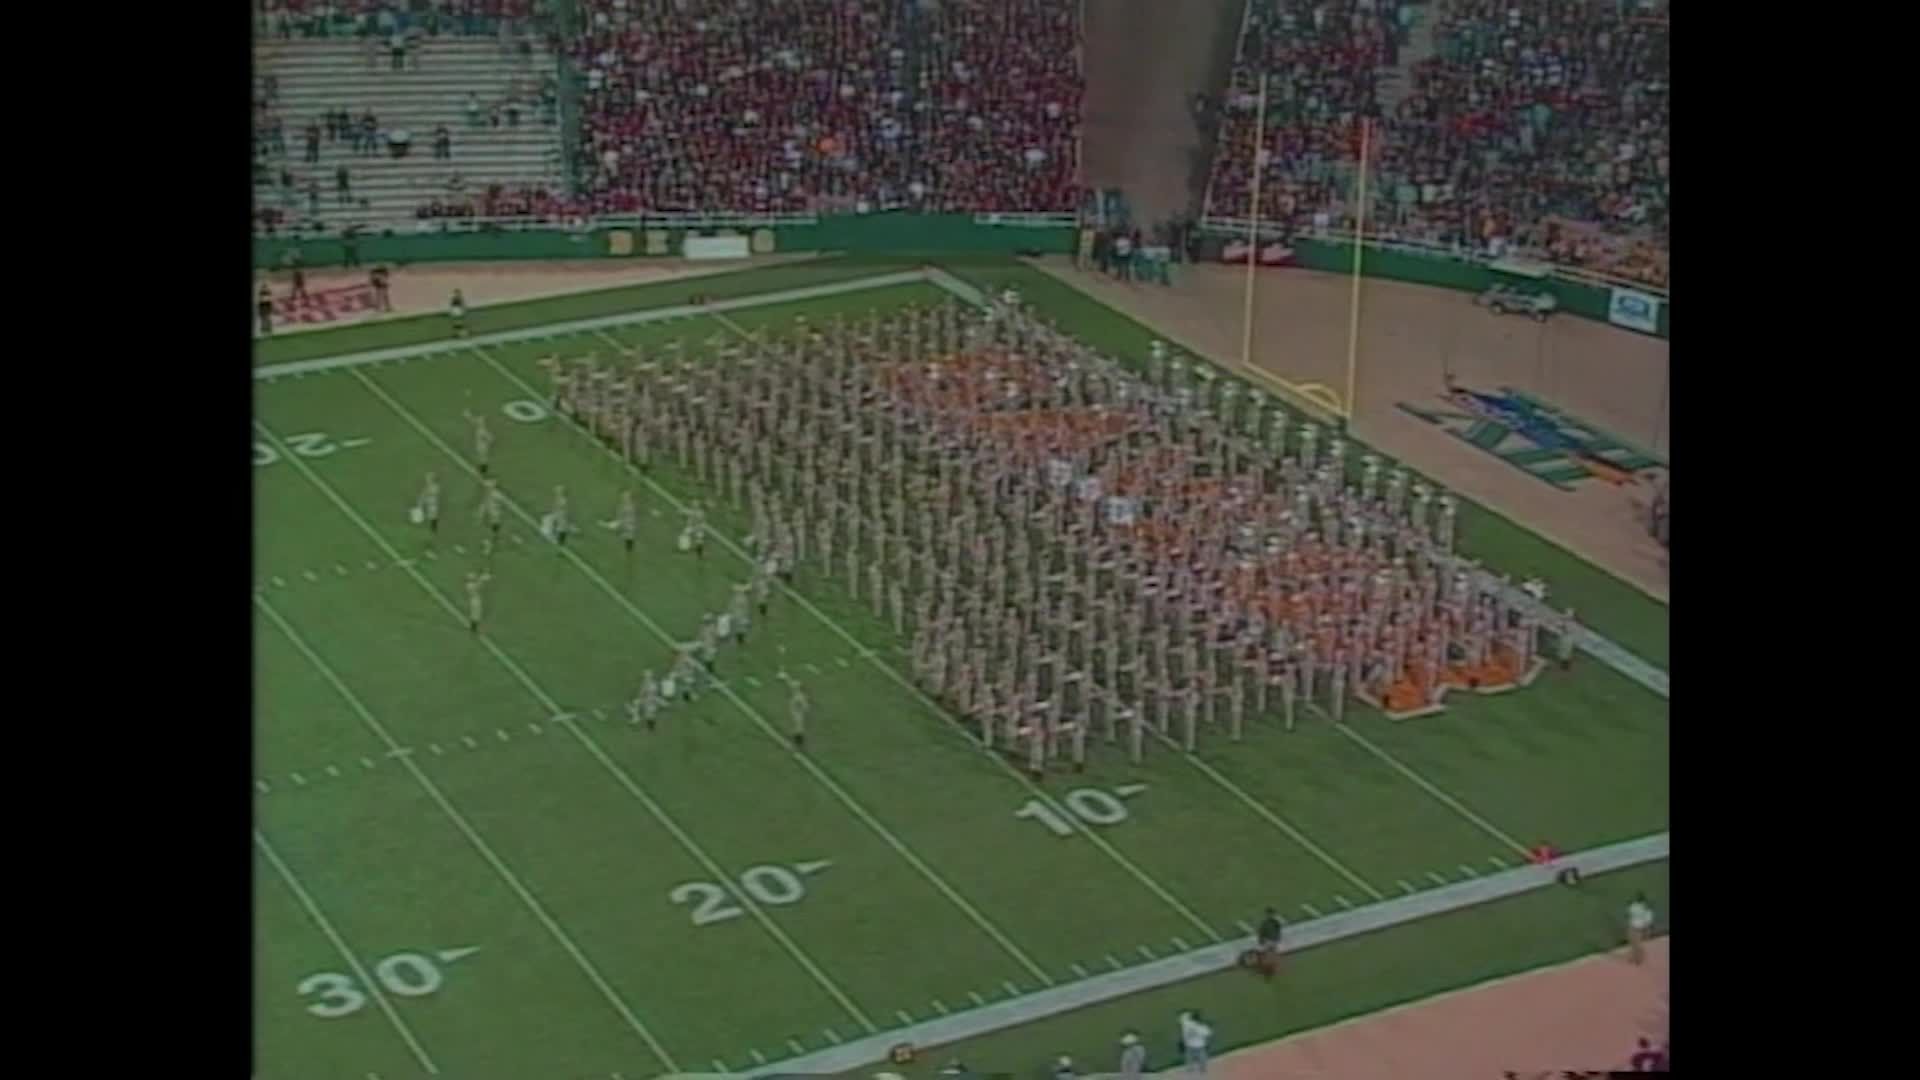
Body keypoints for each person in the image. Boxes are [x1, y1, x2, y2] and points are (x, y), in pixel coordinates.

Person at [1625, 892, 1655, 965]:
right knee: (1632, 943)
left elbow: (1648, 922)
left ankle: (1639, 958)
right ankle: (1634, 956)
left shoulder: (1647, 910)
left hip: (1638, 929)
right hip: (1632, 927)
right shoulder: (1635, 906)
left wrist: (1647, 931)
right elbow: (1629, 914)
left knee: (1637, 944)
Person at [1254, 907, 1283, 979]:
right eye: (1269, 914)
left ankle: (1269, 970)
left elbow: (1278, 930)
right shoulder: (1266, 923)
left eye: (1271, 914)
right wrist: (1261, 940)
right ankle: (1266, 969)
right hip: (1267, 941)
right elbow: (1261, 932)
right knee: (1265, 955)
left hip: (1272, 941)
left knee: (1271, 955)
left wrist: (1278, 938)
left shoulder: (1275, 922)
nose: (1270, 915)